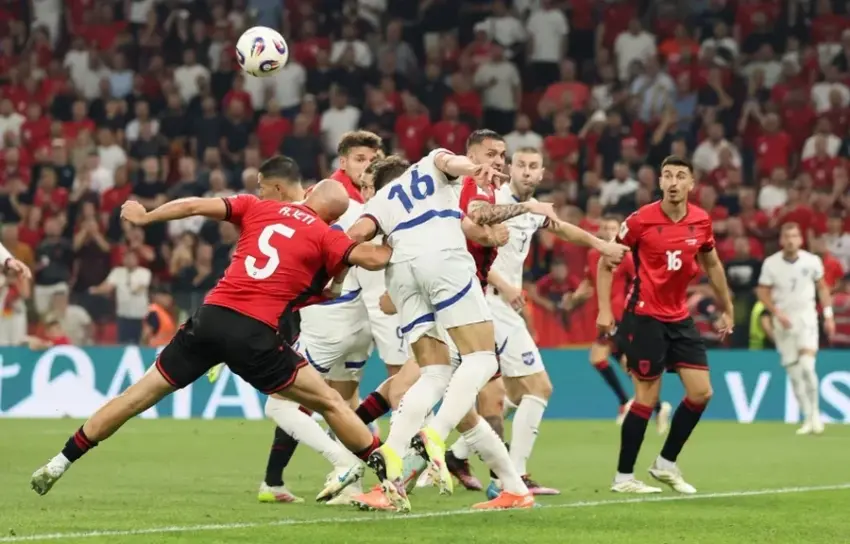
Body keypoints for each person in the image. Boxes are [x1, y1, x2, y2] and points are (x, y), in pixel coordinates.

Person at [29, 177, 397, 500]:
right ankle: (390, 479)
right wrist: (400, 239)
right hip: (255, 335)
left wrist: (147, 216)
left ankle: (59, 462)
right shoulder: (327, 236)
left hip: (210, 319)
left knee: (133, 398)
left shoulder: (258, 206)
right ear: (333, 217)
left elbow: (192, 205)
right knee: (330, 402)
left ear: (309, 192)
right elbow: (371, 259)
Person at [344, 143, 557, 511]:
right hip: (447, 272)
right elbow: (452, 165)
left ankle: (508, 487)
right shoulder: (428, 167)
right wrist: (473, 169)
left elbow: (354, 236)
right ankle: (432, 438)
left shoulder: (378, 203)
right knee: (483, 361)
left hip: (403, 275)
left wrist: (328, 264)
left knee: (437, 380)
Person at [449, 147, 633, 499]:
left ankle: (456, 455)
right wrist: (505, 285)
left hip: (502, 306)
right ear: (511, 168)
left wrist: (600, 244)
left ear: (542, 173)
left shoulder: (533, 210)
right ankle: (514, 476)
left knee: (512, 394)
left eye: (533, 166)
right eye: (520, 165)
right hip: (490, 301)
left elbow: (564, 230)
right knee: (537, 389)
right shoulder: (495, 201)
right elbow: (469, 243)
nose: (526, 171)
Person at [596, 155, 734, 495]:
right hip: (644, 316)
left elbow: (713, 264)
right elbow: (606, 261)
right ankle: (623, 478)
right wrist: (604, 309)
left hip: (679, 317)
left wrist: (727, 307)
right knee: (647, 397)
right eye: (667, 175)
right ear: (659, 182)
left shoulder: (701, 221)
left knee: (701, 392)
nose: (673, 182)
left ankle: (665, 463)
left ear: (691, 184)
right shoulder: (640, 220)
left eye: (680, 176)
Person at [578, 216, 672, 430]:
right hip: (603, 316)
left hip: (619, 316)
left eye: (613, 228)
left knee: (597, 358)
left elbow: (641, 281)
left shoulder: (625, 256)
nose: (609, 231)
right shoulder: (593, 255)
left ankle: (624, 402)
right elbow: (589, 281)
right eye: (605, 227)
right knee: (629, 366)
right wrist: (575, 297)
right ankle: (658, 407)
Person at [755, 223, 835, 435]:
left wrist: (828, 316)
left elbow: (822, 288)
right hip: (783, 322)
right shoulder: (771, 264)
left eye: (794, 236)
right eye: (787, 236)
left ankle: (816, 414)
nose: (791, 240)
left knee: (807, 366)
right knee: (795, 373)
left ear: (800, 239)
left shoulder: (812, 261)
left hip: (806, 319)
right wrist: (776, 312)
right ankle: (807, 417)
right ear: (781, 240)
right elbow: (762, 292)